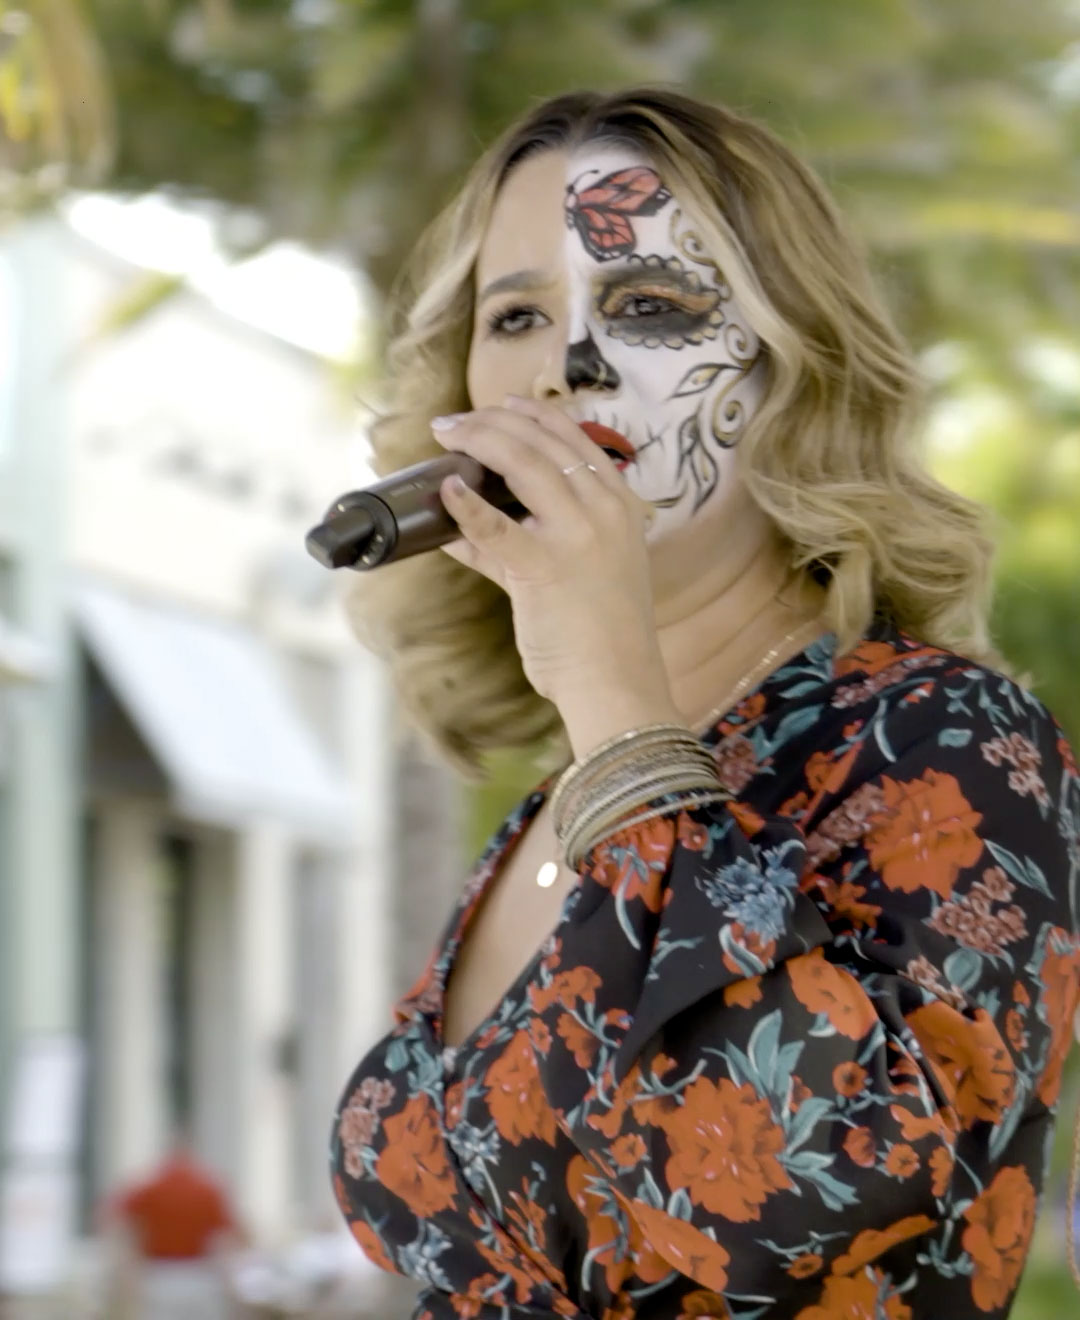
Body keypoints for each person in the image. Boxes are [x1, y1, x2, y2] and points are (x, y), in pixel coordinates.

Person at [328, 86, 1080, 1319]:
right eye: (515, 314)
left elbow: (807, 1194)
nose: (568, 369)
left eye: (647, 307)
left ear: (794, 373)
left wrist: (613, 700)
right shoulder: (557, 800)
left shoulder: (948, 740)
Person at [98, 1123, 245, 1319]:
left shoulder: (148, 1186)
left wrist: (125, 1267)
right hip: (198, 1275)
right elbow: (228, 1237)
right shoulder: (209, 1188)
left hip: (159, 1275)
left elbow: (114, 1220)